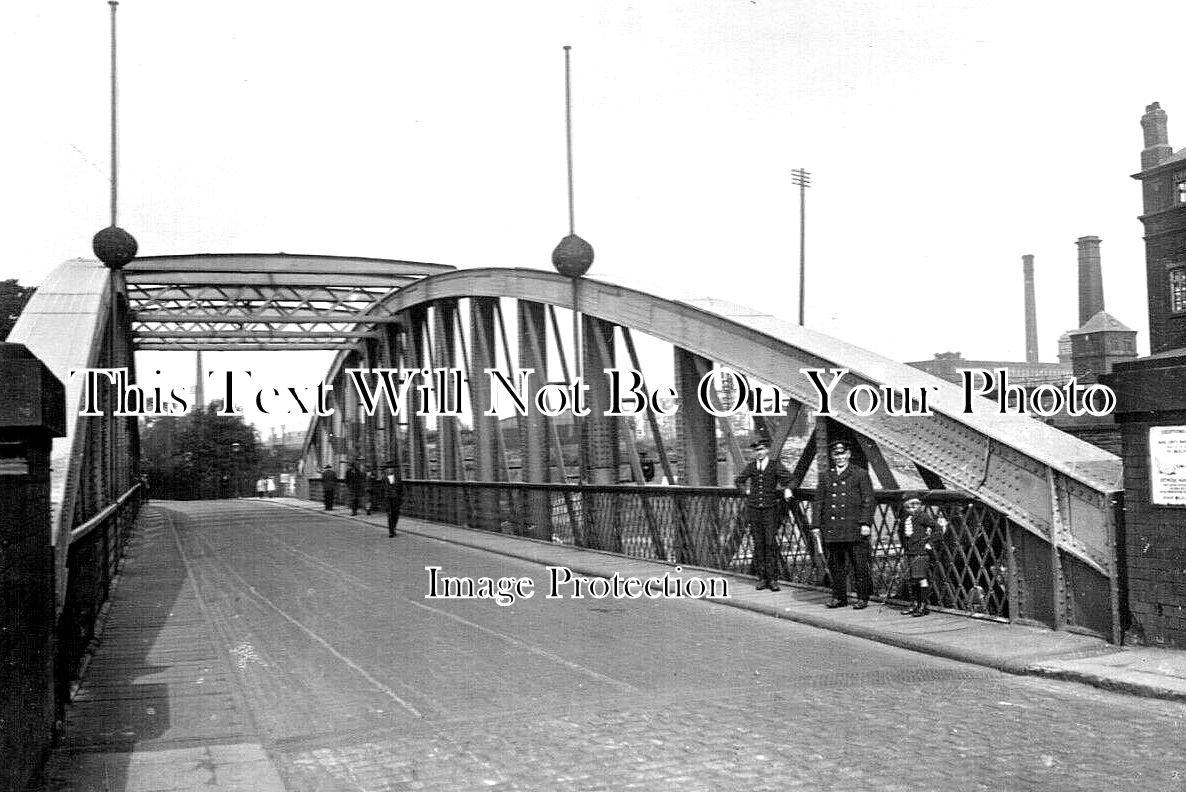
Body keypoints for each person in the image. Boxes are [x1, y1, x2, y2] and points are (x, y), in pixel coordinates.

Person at [812, 440, 875, 609]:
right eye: (836, 454)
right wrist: (816, 525)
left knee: (859, 564)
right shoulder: (826, 476)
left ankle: (863, 597)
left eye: (842, 454)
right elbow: (818, 501)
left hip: (854, 526)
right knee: (836, 565)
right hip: (833, 528)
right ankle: (839, 597)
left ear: (848, 454)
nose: (839, 457)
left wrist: (865, 522)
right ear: (832, 457)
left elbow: (868, 500)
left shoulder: (860, 474)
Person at [734, 438, 793, 591]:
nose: (759, 453)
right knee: (758, 543)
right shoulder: (752, 467)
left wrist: (788, 489)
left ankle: (773, 579)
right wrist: (745, 491)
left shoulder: (774, 466)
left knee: (770, 543)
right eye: (756, 450)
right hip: (754, 509)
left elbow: (791, 479)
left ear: (767, 450)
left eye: (761, 450)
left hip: (769, 509)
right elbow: (739, 480)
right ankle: (761, 578)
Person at [896, 492, 946, 617]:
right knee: (912, 579)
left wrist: (928, 542)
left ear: (919, 505)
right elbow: (901, 533)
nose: (911, 509)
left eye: (914, 506)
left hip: (920, 552)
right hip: (909, 551)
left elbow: (938, 529)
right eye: (908, 507)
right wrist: (904, 545)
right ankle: (914, 604)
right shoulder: (904, 518)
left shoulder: (923, 516)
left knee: (921, 578)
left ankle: (923, 605)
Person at [383, 462, 403, 537]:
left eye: (391, 468)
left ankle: (393, 527)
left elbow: (401, 487)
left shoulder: (397, 477)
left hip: (396, 498)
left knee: (396, 513)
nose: (390, 470)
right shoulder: (384, 478)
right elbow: (382, 488)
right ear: (386, 470)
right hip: (388, 498)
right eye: (388, 468)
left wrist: (400, 497)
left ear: (393, 469)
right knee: (390, 514)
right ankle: (391, 531)